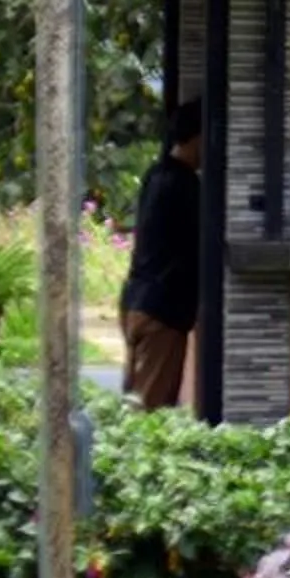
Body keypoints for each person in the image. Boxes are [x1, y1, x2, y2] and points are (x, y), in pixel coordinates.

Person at [118, 101, 202, 408]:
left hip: (137, 300)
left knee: (136, 397)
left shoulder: (156, 175)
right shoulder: (185, 185)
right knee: (150, 408)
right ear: (197, 137)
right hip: (163, 311)